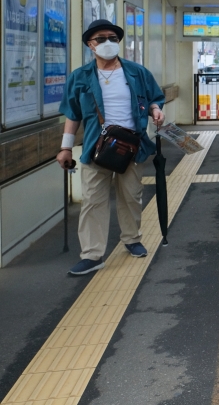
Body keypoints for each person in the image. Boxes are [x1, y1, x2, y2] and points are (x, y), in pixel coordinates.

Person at [56, 19, 166, 275]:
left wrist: (156, 110)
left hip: (132, 147)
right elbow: (72, 115)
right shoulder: (80, 77)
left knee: (131, 196)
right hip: (96, 148)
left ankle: (132, 239)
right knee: (93, 201)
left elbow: (153, 99)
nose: (108, 42)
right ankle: (92, 255)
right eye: (101, 38)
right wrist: (65, 148)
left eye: (113, 38)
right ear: (90, 45)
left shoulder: (136, 72)